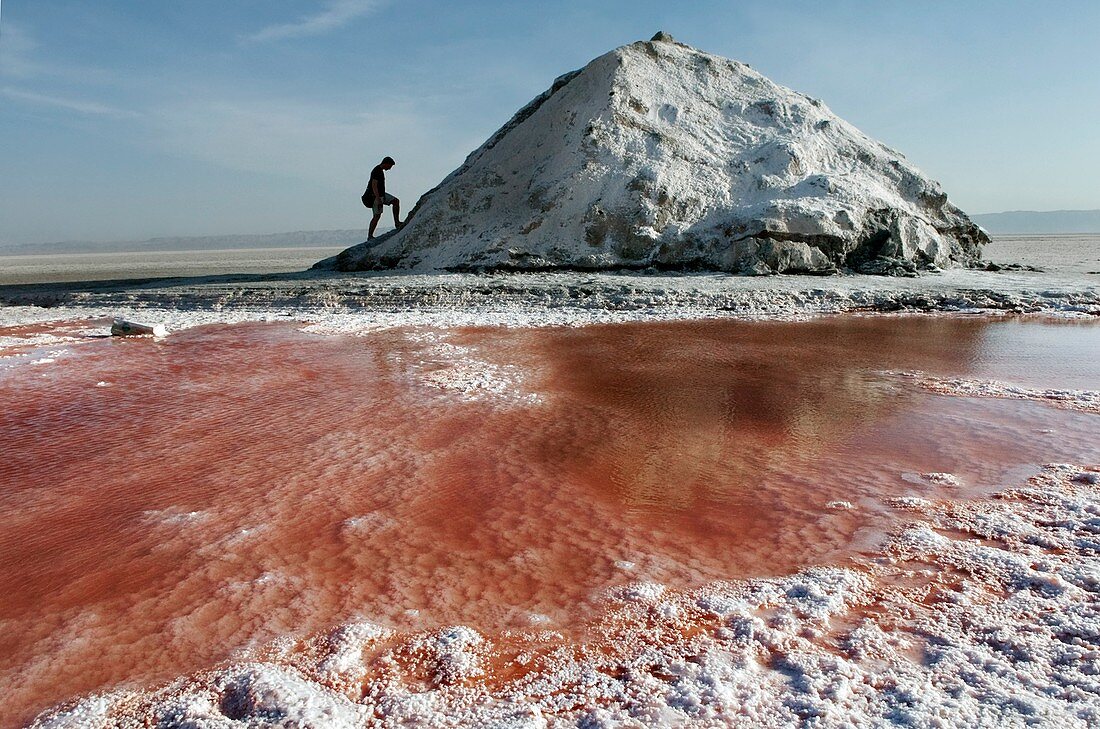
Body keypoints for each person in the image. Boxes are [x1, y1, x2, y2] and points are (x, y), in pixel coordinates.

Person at [364, 156, 402, 239]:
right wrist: (378, 199)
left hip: (381, 194)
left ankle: (397, 222)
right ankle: (370, 236)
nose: (390, 168)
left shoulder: (380, 170)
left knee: (395, 201)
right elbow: (374, 185)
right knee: (376, 216)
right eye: (390, 166)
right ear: (386, 164)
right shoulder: (377, 171)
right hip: (375, 196)